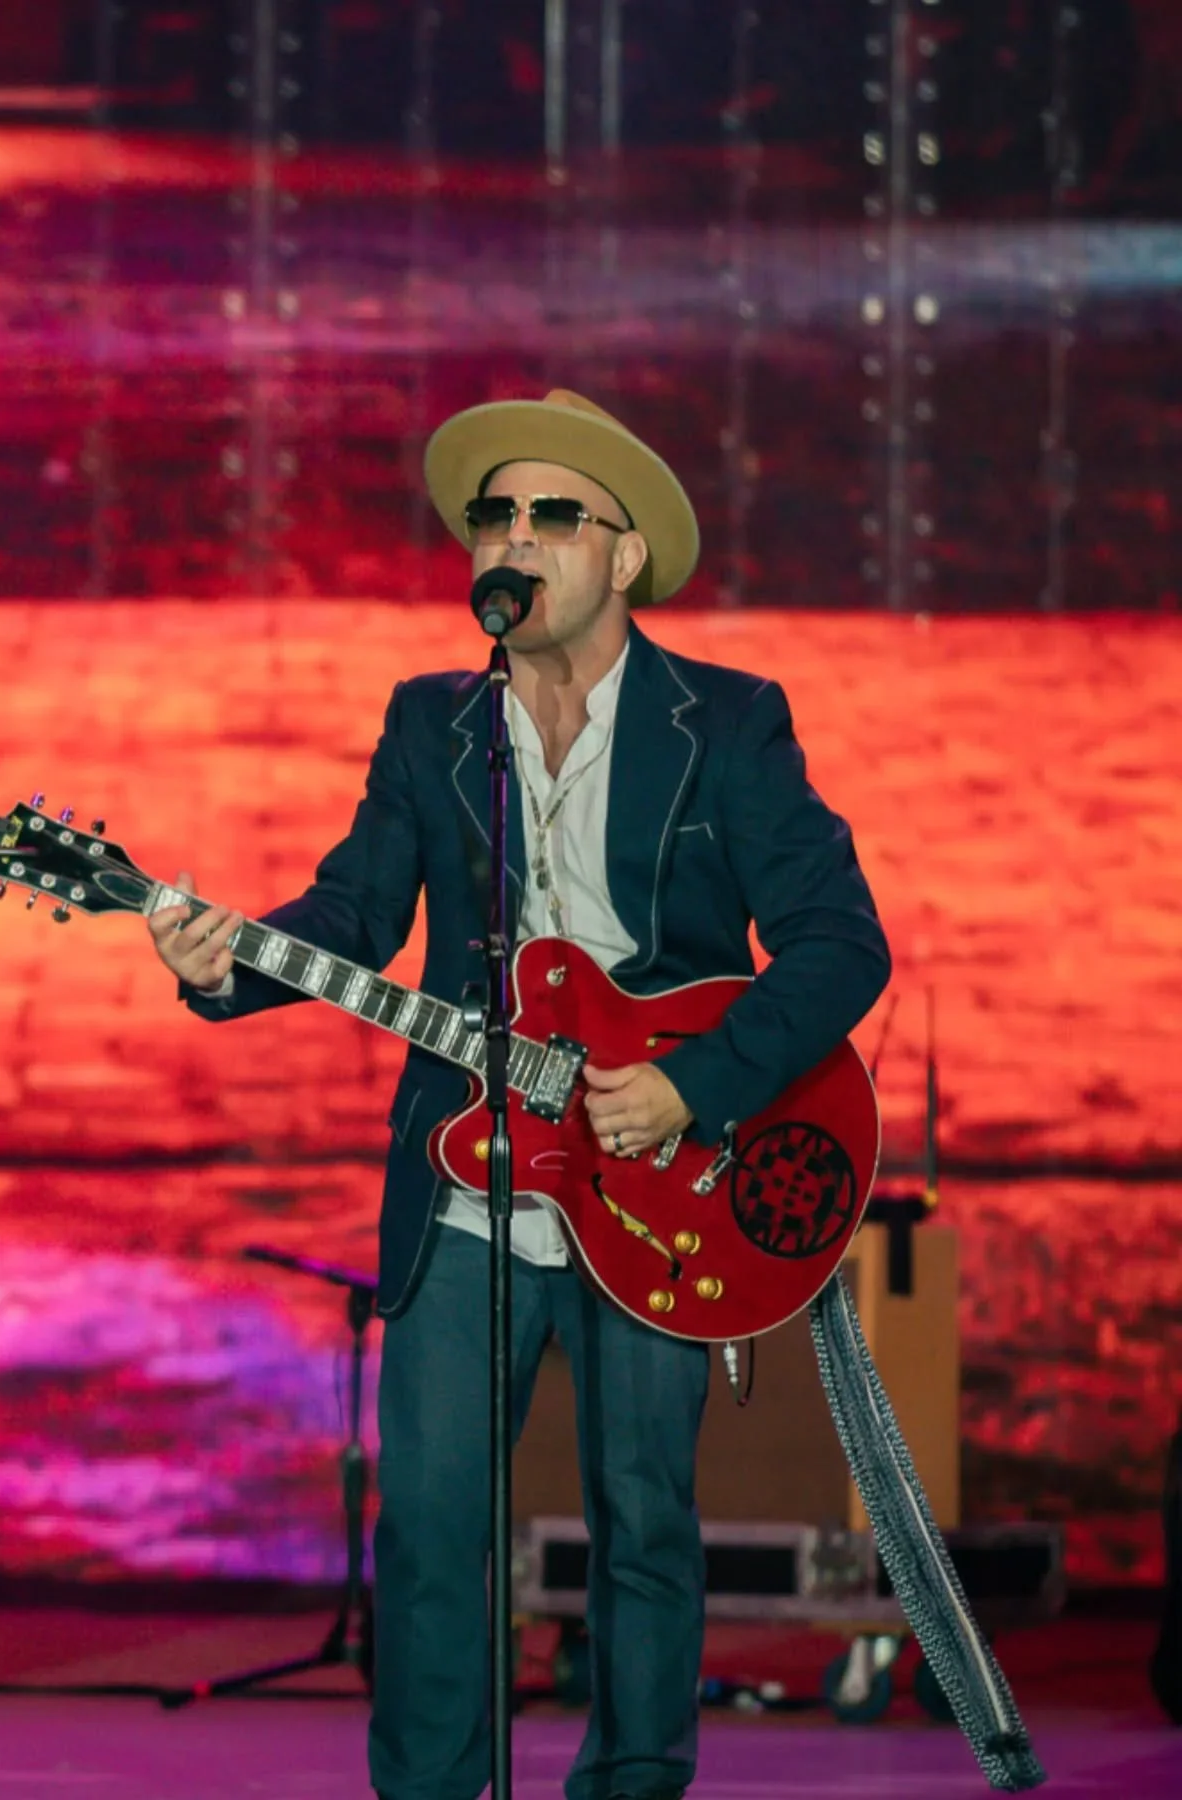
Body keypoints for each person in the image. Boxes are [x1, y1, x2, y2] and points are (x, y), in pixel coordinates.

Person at [148, 390, 891, 1800]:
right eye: (495, 513)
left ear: (624, 556)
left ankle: (631, 1786)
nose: (516, 536)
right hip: (469, 1188)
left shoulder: (729, 724)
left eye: (556, 514)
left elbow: (841, 945)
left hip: (660, 1181)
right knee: (429, 1527)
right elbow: (357, 914)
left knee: (643, 1526)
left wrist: (688, 1089)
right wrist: (225, 961)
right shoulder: (432, 723)